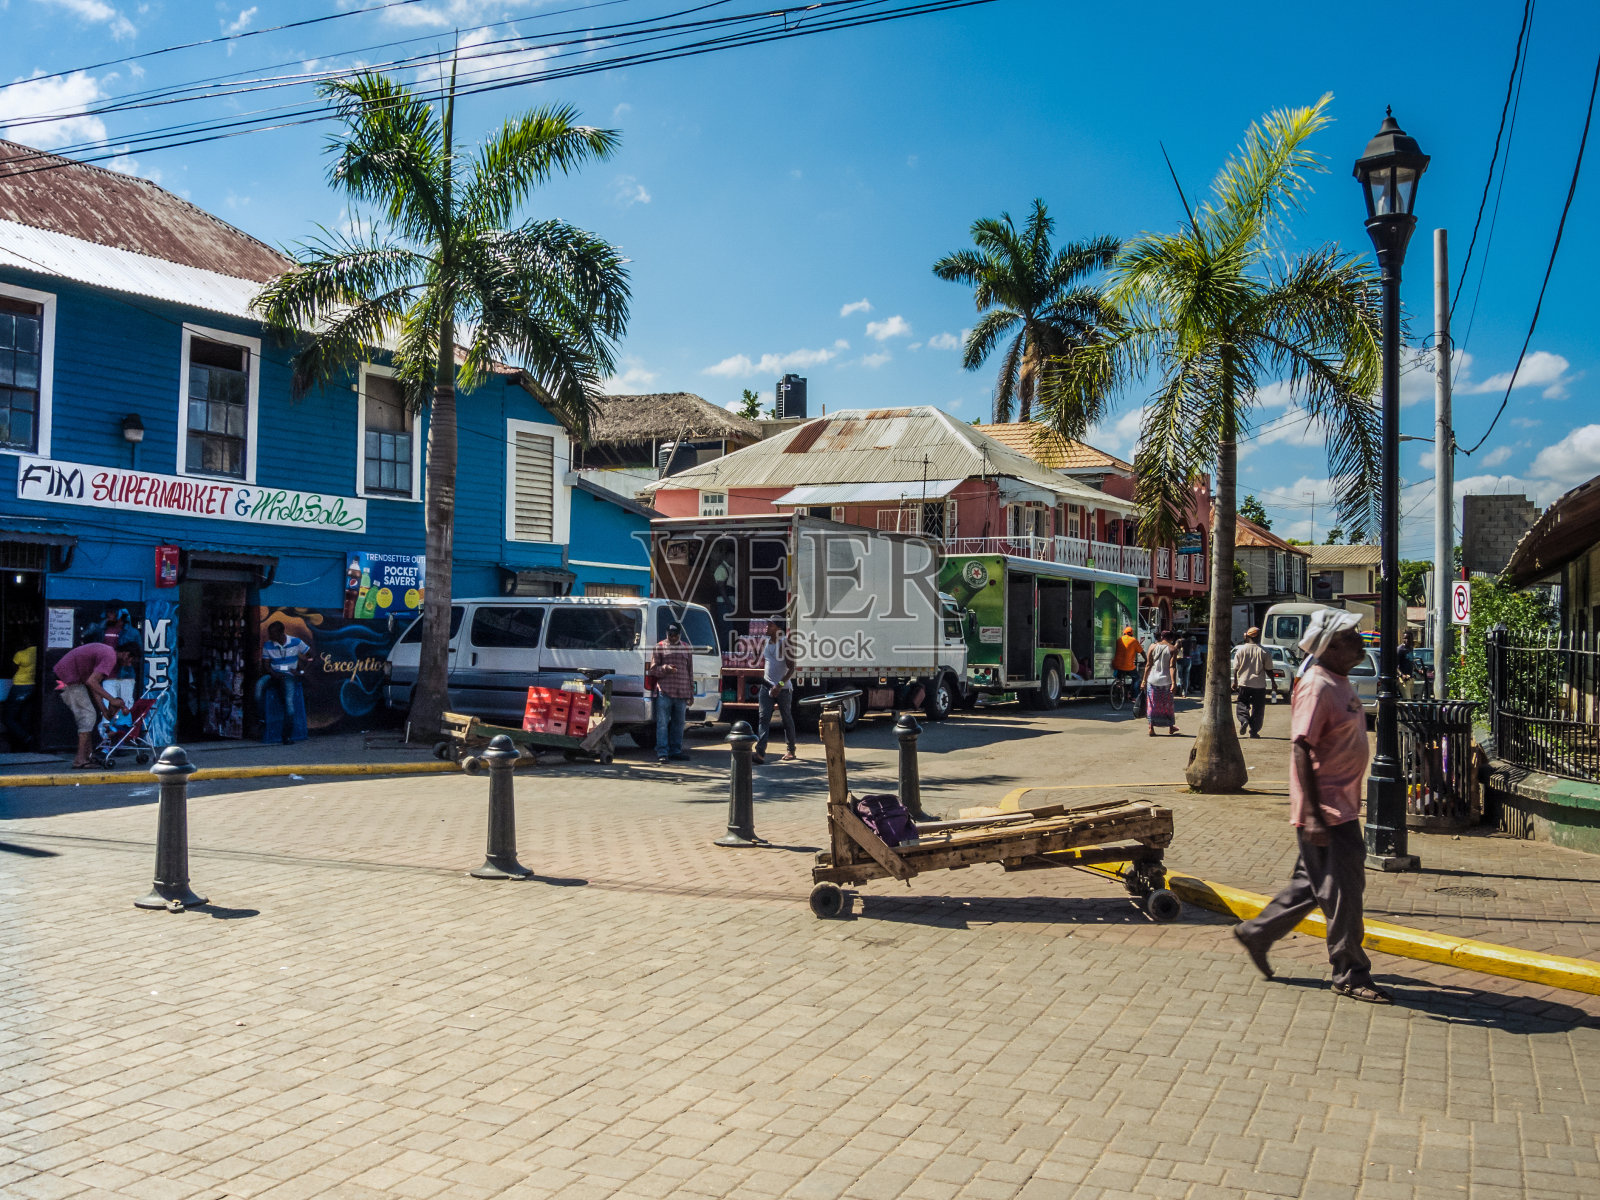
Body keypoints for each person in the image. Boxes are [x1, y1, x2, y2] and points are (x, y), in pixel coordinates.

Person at [1232, 609, 1393, 1005]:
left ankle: (1258, 932)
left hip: (1340, 807)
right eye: (1353, 636)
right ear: (1332, 645)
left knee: (1312, 885)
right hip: (1327, 811)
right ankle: (1350, 973)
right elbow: (1301, 747)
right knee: (1344, 893)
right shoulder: (1318, 685)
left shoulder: (1340, 681)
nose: (1361, 641)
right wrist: (1314, 815)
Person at [54, 640, 136, 769]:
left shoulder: (107, 653)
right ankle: (80, 760)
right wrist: (112, 700)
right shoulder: (110, 657)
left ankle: (88, 757)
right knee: (88, 716)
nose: (128, 664)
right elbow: (92, 682)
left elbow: (93, 684)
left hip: (70, 678)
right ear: (126, 654)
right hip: (66, 679)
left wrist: (103, 709)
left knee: (90, 715)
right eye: (130, 660)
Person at [753, 619, 797, 764]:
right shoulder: (766, 642)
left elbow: (792, 668)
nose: (766, 627)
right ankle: (760, 752)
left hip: (783, 689)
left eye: (770, 625)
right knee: (763, 718)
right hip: (766, 687)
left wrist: (780, 685)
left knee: (786, 718)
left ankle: (791, 750)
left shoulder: (785, 644)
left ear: (778, 628)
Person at [650, 621, 694, 764]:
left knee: (679, 724)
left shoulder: (687, 648)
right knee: (662, 724)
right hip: (665, 692)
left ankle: (676, 751)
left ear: (680, 635)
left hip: (682, 693)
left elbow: (690, 672)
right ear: (666, 634)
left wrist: (691, 693)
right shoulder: (659, 647)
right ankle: (662, 752)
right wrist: (665, 668)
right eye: (670, 634)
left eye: (675, 635)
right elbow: (653, 670)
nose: (673, 637)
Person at [261, 621, 311, 745]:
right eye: (269, 634)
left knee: (289, 703)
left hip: (289, 675)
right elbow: (266, 665)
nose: (270, 637)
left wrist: (302, 672)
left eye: (273, 634)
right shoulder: (268, 645)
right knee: (258, 689)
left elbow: (311, 656)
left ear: (281, 633)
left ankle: (287, 735)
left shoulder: (296, 642)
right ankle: (261, 719)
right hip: (273, 674)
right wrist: (274, 674)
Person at [1231, 627, 1279, 739]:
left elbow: (1236, 668)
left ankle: (1244, 720)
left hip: (1244, 682)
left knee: (1242, 704)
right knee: (1258, 709)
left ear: (1247, 636)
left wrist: (1235, 682)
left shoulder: (1241, 650)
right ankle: (1254, 731)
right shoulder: (1265, 651)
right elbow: (1269, 669)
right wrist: (1273, 682)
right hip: (1259, 685)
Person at [1142, 629, 1179, 737]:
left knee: (1152, 704)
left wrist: (1144, 680)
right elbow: (1172, 667)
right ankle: (1171, 727)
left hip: (1152, 680)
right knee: (1167, 705)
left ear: (1161, 637)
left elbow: (1148, 665)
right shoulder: (1173, 649)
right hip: (1166, 681)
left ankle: (1151, 728)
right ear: (1171, 638)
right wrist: (1174, 683)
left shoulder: (1152, 647)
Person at [3, 642, 37, 750]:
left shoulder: (20, 654)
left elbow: (12, 669)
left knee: (8, 718)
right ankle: (24, 744)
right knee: (25, 716)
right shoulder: (37, 652)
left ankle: (26, 738)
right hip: (31, 686)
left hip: (19, 686)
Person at [1112, 625, 1143, 710]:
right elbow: (1142, 652)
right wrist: (1147, 660)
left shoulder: (1119, 640)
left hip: (1117, 666)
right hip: (1128, 666)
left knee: (1117, 676)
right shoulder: (1134, 641)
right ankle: (1134, 696)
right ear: (1132, 634)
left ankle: (1117, 686)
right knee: (1136, 678)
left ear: (1124, 633)